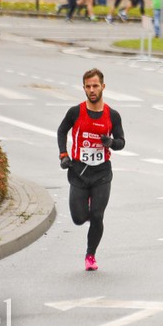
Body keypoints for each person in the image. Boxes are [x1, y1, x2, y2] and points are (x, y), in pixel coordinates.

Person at [57, 68, 126, 272]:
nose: (92, 90)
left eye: (95, 86)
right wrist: (63, 155)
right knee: (78, 218)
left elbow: (121, 142)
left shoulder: (112, 115)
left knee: (97, 215)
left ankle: (90, 255)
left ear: (103, 87)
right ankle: (86, 210)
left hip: (102, 173)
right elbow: (62, 131)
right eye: (88, 86)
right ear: (84, 88)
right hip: (79, 171)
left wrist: (111, 142)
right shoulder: (75, 112)